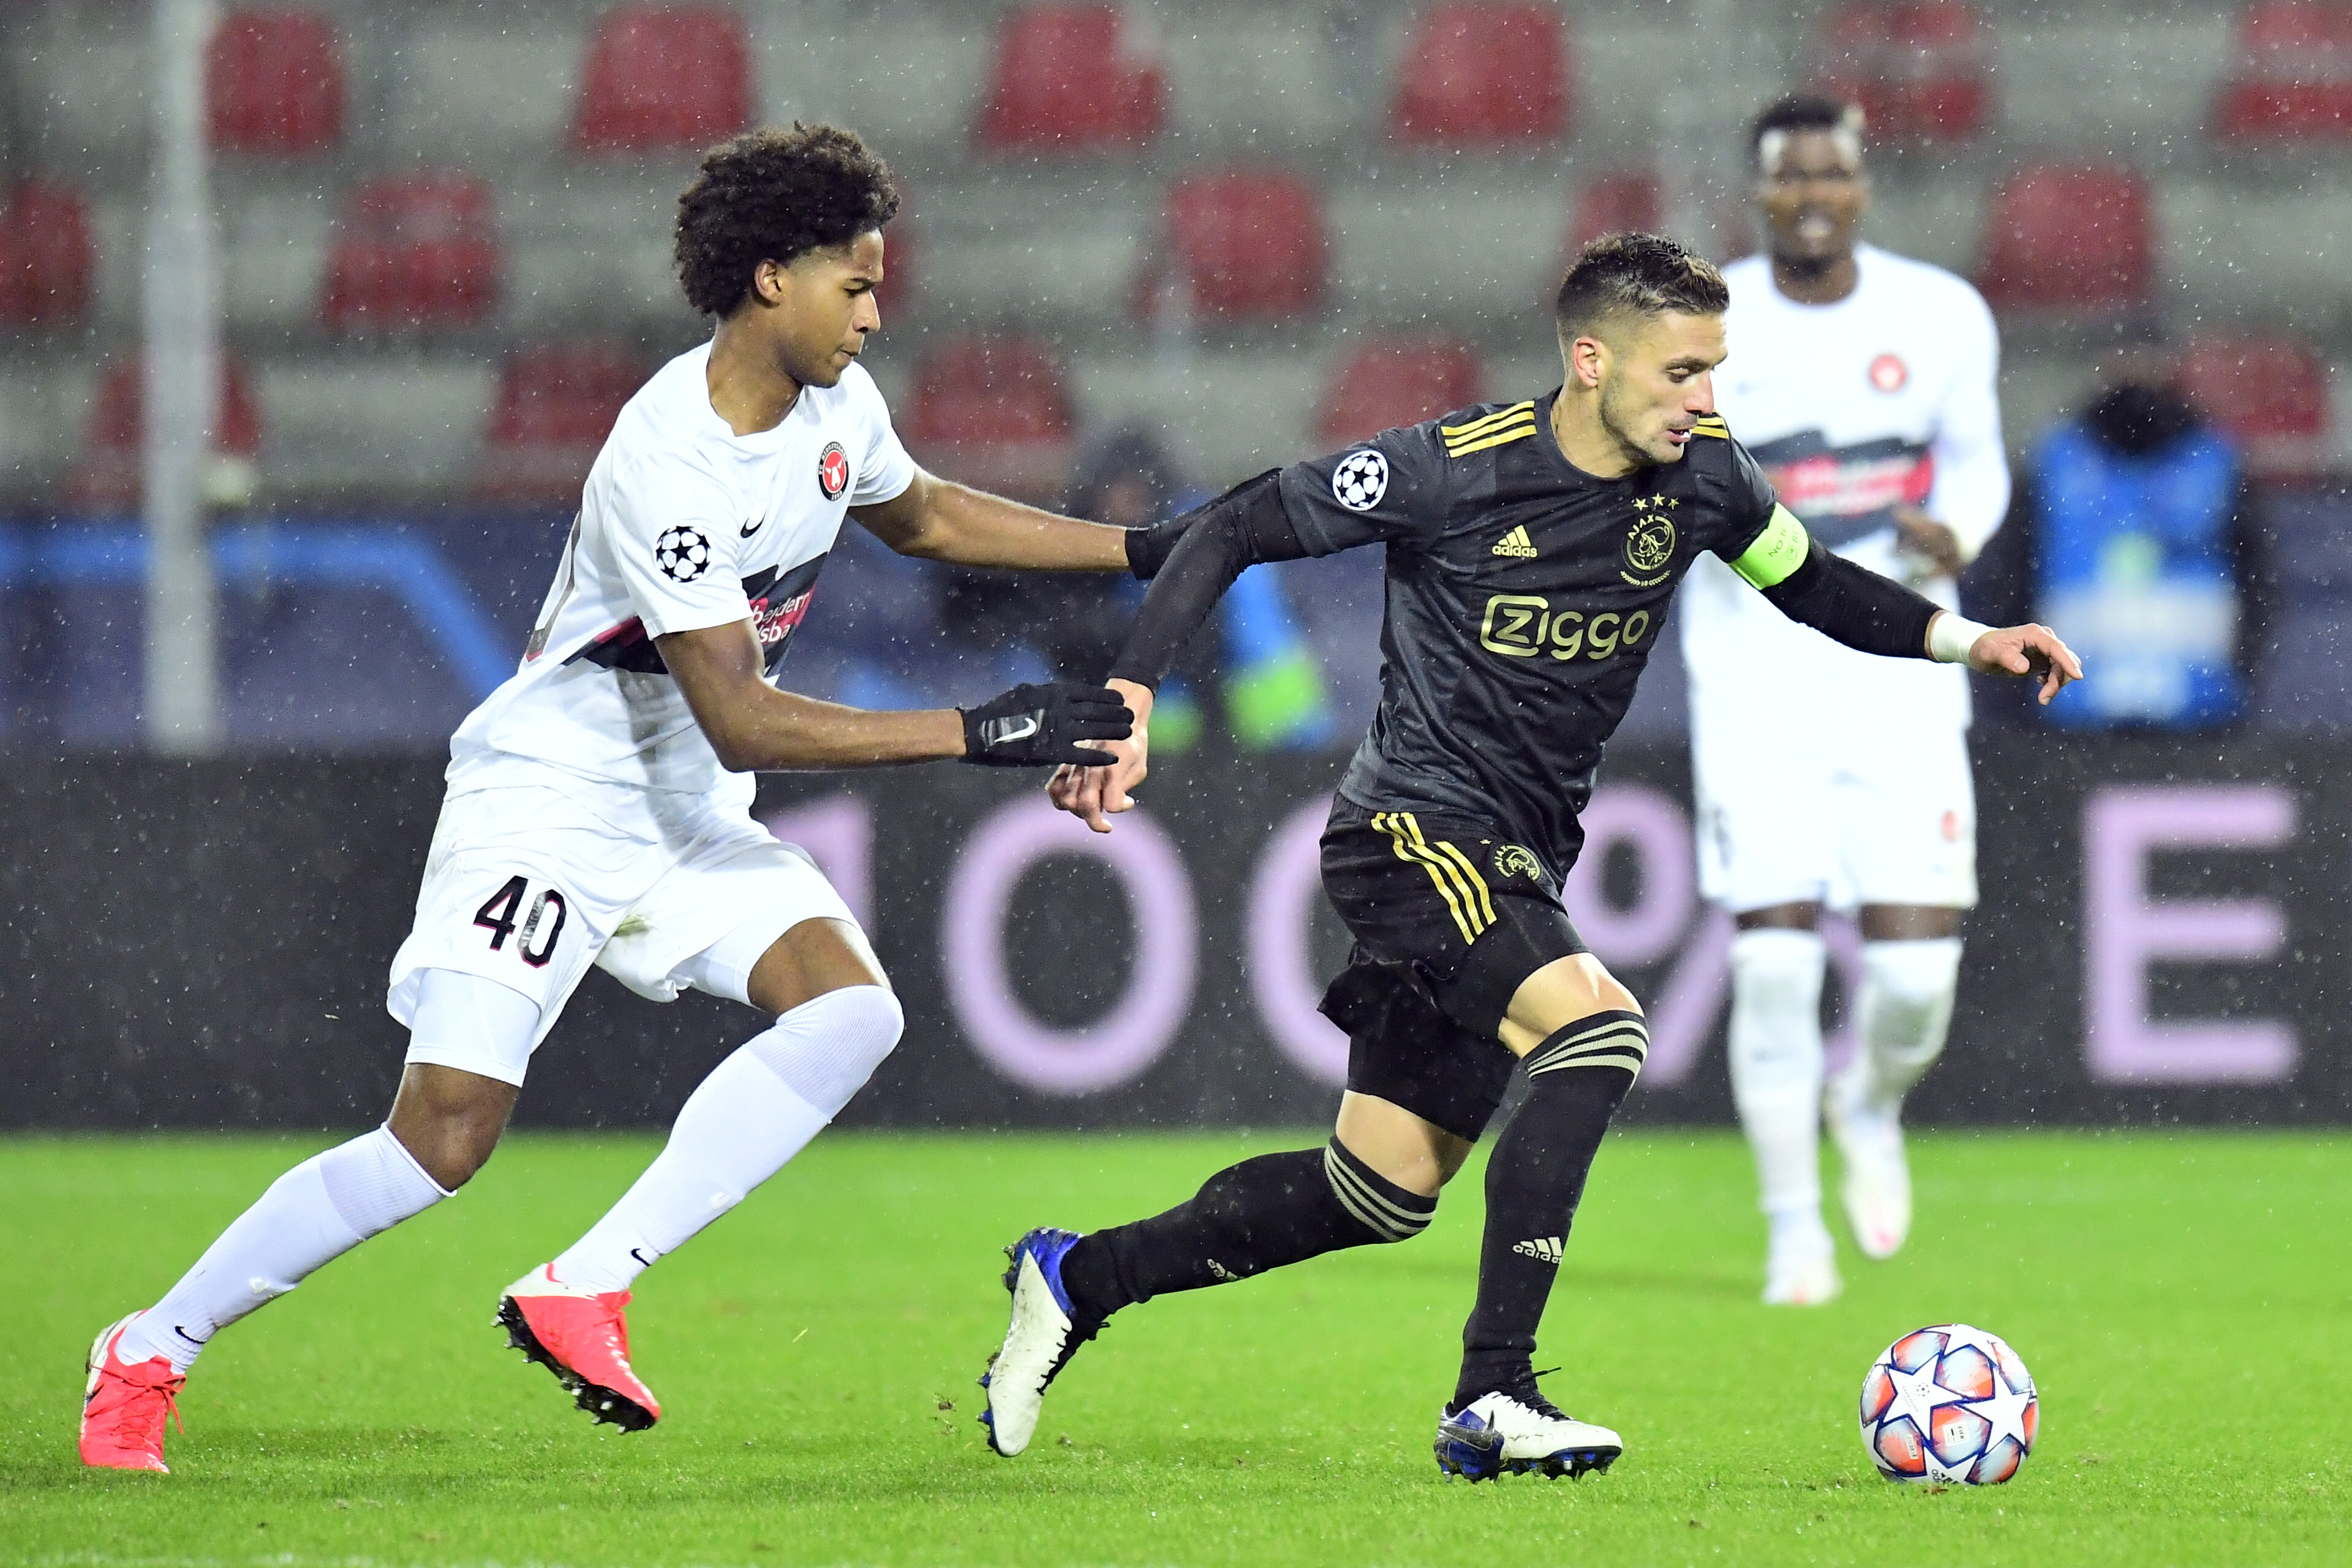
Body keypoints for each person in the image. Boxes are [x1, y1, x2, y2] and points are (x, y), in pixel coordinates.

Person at [79, 123, 1150, 1474]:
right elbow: (741, 711)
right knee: (441, 1139)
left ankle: (586, 1282)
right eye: (855, 287)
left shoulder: (838, 408)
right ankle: (149, 1346)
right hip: (553, 801)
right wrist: (973, 730)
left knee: (851, 1010)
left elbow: (927, 515)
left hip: (683, 808)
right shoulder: (667, 457)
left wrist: (1136, 548)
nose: (876, 316)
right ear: (771, 277)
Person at [977, 232, 2080, 1480]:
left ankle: (1080, 1275)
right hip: (1410, 830)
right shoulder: (1450, 469)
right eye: (1682, 372)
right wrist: (1127, 693)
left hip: (1520, 853)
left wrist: (1967, 640)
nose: (1706, 398)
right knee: (1597, 1032)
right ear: (1592, 360)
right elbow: (1233, 526)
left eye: (1715, 370)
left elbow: (1815, 583)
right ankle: (1494, 1392)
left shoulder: (1707, 479)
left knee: (1378, 1190)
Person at [1678, 95, 2013, 1305]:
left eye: (1833, 173)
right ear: (1758, 192)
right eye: (1790, 175)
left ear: (1863, 185)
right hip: (1755, 677)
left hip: (1903, 674)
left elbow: (1976, 460)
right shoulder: (1704, 325)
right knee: (1772, 965)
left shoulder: (1940, 314)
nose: (1812, 195)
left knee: (1916, 985)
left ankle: (1869, 1100)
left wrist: (1958, 528)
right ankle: (1790, 1230)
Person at [1969, 330, 2271, 730]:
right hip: (2070, 718)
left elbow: (2258, 582)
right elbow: (2009, 581)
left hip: (2199, 711)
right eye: (2124, 360)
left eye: (2146, 361)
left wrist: (2245, 674)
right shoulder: (2057, 460)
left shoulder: (2215, 462)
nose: (2135, 373)